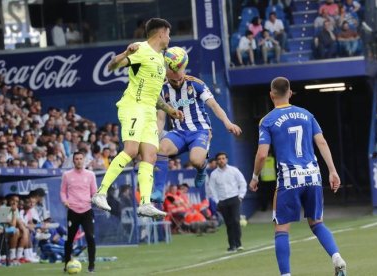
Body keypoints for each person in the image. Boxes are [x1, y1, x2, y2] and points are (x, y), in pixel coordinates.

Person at [249, 77, 346, 276]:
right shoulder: (307, 114)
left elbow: (261, 154)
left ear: (271, 94)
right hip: (313, 175)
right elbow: (322, 143)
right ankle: (336, 257)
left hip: (289, 178)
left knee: (281, 229)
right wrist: (333, 171)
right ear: (290, 93)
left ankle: (286, 275)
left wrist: (255, 176)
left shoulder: (267, 120)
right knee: (317, 223)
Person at [91, 18, 183, 218]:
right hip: (133, 106)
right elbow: (111, 67)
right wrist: (126, 53)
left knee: (150, 156)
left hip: (149, 111)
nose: (169, 37)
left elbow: (154, 94)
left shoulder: (160, 58)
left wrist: (169, 110)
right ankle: (100, 193)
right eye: (168, 33)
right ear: (161, 33)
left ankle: (145, 203)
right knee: (131, 150)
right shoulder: (140, 49)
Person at [152, 67, 242, 202]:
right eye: (173, 80)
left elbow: (214, 105)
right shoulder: (162, 89)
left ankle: (202, 168)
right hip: (179, 132)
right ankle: (159, 191)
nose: (177, 82)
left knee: (195, 161)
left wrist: (228, 123)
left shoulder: (196, 84)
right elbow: (160, 118)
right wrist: (155, 136)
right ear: (167, 76)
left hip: (200, 130)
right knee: (161, 149)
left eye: (180, 78)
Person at [60, 151, 97, 273]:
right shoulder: (67, 175)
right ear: (73, 160)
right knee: (69, 239)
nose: (79, 161)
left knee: (90, 237)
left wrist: (96, 199)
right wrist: (65, 201)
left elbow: (94, 192)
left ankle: (91, 265)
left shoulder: (91, 175)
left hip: (87, 210)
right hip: (73, 210)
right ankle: (66, 264)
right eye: (76, 159)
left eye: (81, 158)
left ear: (84, 160)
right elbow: (63, 192)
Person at [208, 152, 247, 253]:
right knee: (228, 223)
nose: (221, 160)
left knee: (235, 221)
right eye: (219, 159)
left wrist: (241, 196)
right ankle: (232, 245)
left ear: (226, 159)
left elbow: (242, 183)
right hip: (222, 201)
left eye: (223, 158)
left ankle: (238, 244)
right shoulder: (214, 174)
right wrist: (217, 201)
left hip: (234, 198)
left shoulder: (234, 170)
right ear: (217, 161)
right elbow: (212, 189)